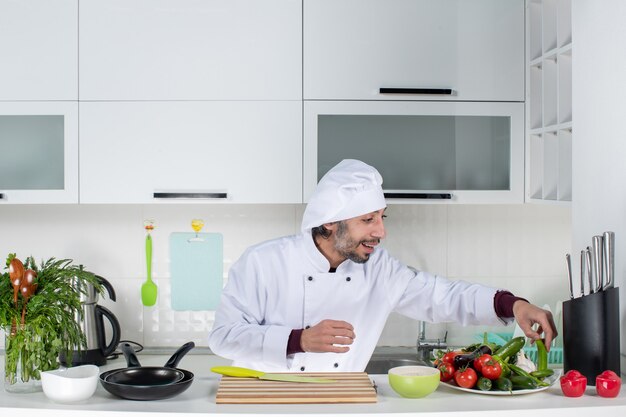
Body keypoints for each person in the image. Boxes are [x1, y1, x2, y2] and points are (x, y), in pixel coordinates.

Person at [208, 159, 557, 372]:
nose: (381, 231)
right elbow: (224, 338)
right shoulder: (262, 262)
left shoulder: (377, 269)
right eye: (368, 220)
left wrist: (514, 304)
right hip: (267, 403)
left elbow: (442, 296)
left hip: (342, 401)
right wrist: (300, 340)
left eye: (381, 217)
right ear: (330, 223)